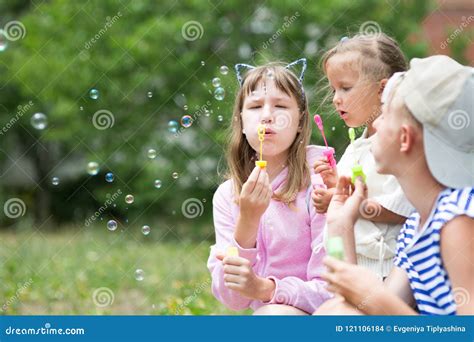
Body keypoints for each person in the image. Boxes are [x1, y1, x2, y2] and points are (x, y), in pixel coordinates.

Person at [317, 55, 473, 315]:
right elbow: (361, 308)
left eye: (385, 113)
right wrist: (340, 223)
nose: (375, 123)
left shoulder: (458, 219)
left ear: (404, 139)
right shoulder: (415, 227)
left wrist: (374, 294)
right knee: (335, 312)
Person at [207, 59, 331, 314]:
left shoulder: (320, 184)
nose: (266, 116)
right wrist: (247, 222)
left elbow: (332, 290)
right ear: (241, 121)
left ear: (299, 121)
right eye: (254, 106)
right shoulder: (227, 196)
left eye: (281, 105)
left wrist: (267, 290)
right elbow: (232, 298)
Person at [313, 34, 414, 278]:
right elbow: (362, 192)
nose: (336, 98)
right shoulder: (356, 146)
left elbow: (403, 211)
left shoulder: (400, 146)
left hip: (382, 272)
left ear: (383, 89)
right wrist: (336, 186)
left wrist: (348, 204)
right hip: (349, 265)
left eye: (345, 88)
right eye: (333, 88)